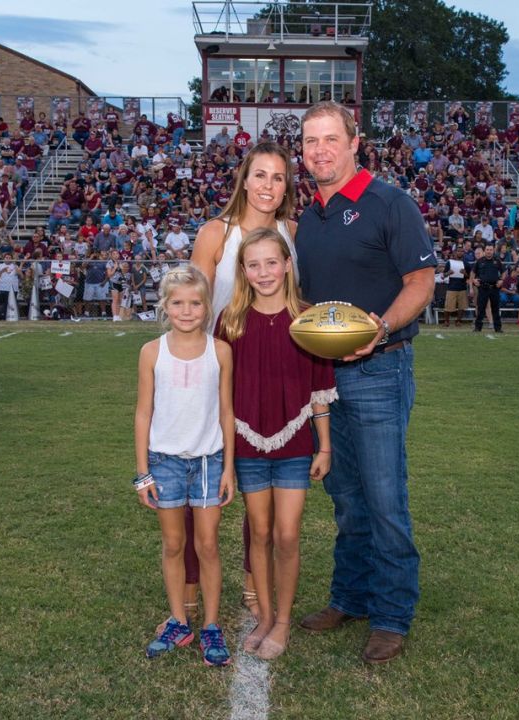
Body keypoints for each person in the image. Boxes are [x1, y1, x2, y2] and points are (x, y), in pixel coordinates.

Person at [294, 101, 435, 664]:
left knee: (383, 498)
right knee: (345, 496)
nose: (320, 150)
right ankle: (348, 596)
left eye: (331, 139)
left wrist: (379, 327)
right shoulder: (308, 217)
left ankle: (392, 614)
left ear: (356, 143)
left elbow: (420, 281)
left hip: (379, 368)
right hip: (324, 377)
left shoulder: (388, 202)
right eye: (310, 142)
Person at [190, 140, 300, 620]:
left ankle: (256, 588)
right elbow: (192, 307)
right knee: (203, 488)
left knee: (259, 489)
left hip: (268, 376)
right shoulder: (216, 232)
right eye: (260, 175)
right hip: (215, 372)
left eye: (278, 178)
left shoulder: (293, 231)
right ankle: (190, 596)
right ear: (244, 178)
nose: (268, 186)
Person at [216, 228, 336, 660]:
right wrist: (226, 460)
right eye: (254, 264)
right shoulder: (230, 320)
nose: (264, 272)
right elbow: (222, 396)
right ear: (243, 271)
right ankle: (265, 615)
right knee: (259, 533)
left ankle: (282, 622)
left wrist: (324, 446)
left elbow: (321, 387)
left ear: (287, 265)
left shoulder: (308, 319)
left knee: (287, 535)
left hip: (294, 443)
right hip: (247, 444)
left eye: (272, 262)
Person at [134, 266, 235, 667]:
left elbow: (227, 412)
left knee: (207, 546)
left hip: (209, 461)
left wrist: (229, 467)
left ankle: (211, 625)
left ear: (207, 307)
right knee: (174, 544)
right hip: (165, 463)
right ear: (165, 306)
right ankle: (178, 620)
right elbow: (144, 413)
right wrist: (143, 473)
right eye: (178, 303)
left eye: (195, 303)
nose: (187, 311)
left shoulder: (220, 351)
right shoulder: (151, 352)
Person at [469, 243, 503, 332]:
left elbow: (504, 272)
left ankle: (498, 328)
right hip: (483, 288)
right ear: (485, 251)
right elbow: (472, 273)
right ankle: (477, 328)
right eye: (487, 250)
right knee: (481, 309)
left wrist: (501, 280)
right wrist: (473, 280)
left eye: (490, 250)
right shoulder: (479, 261)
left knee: (495, 309)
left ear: (493, 250)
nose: (489, 251)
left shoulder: (497, 261)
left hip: (494, 288)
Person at [441, 249, 469, 326]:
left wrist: (465, 273)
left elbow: (469, 277)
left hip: (462, 287)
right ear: (455, 252)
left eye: (462, 251)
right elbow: (443, 276)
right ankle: (446, 321)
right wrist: (448, 273)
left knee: (462, 306)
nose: (460, 252)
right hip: (451, 287)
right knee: (448, 306)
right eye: (458, 251)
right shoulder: (449, 262)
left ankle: (458, 321)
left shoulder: (466, 263)